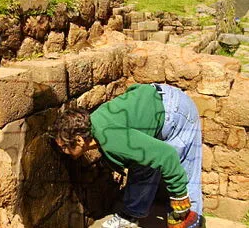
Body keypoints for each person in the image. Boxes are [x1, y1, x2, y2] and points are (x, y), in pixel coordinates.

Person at [51, 83, 205, 228]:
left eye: (64, 146)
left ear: (79, 140)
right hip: (156, 102)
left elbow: (167, 156)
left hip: (178, 112)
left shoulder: (111, 139)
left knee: (185, 173)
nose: (63, 151)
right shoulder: (94, 125)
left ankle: (192, 222)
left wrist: (179, 198)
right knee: (142, 160)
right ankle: (131, 215)